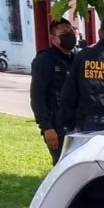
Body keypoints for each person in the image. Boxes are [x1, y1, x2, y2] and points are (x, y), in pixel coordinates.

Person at [30, 17, 77, 165]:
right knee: (63, 165)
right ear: (54, 38)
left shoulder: (76, 59)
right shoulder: (45, 60)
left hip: (76, 124)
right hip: (56, 127)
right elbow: (37, 96)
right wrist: (47, 127)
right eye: (64, 32)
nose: (69, 35)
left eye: (71, 31)